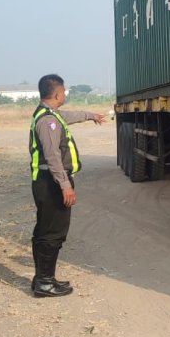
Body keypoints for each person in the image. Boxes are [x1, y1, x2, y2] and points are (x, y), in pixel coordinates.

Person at [29, 74, 106, 298]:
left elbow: (69, 116)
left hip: (48, 182)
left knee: (45, 231)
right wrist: (65, 185)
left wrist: (91, 116)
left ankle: (43, 278)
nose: (65, 94)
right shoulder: (48, 121)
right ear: (56, 94)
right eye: (63, 91)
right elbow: (52, 156)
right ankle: (44, 283)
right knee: (52, 233)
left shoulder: (49, 114)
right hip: (51, 184)